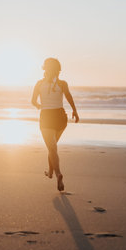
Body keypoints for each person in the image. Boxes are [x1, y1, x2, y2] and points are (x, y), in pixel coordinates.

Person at [31, 58, 79, 191]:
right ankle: (51, 172)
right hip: (61, 117)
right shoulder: (62, 83)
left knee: (52, 148)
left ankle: (58, 174)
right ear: (58, 70)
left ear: (45, 69)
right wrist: (75, 111)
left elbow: (33, 101)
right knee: (52, 147)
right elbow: (69, 97)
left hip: (47, 116)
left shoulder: (39, 84)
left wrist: (39, 105)